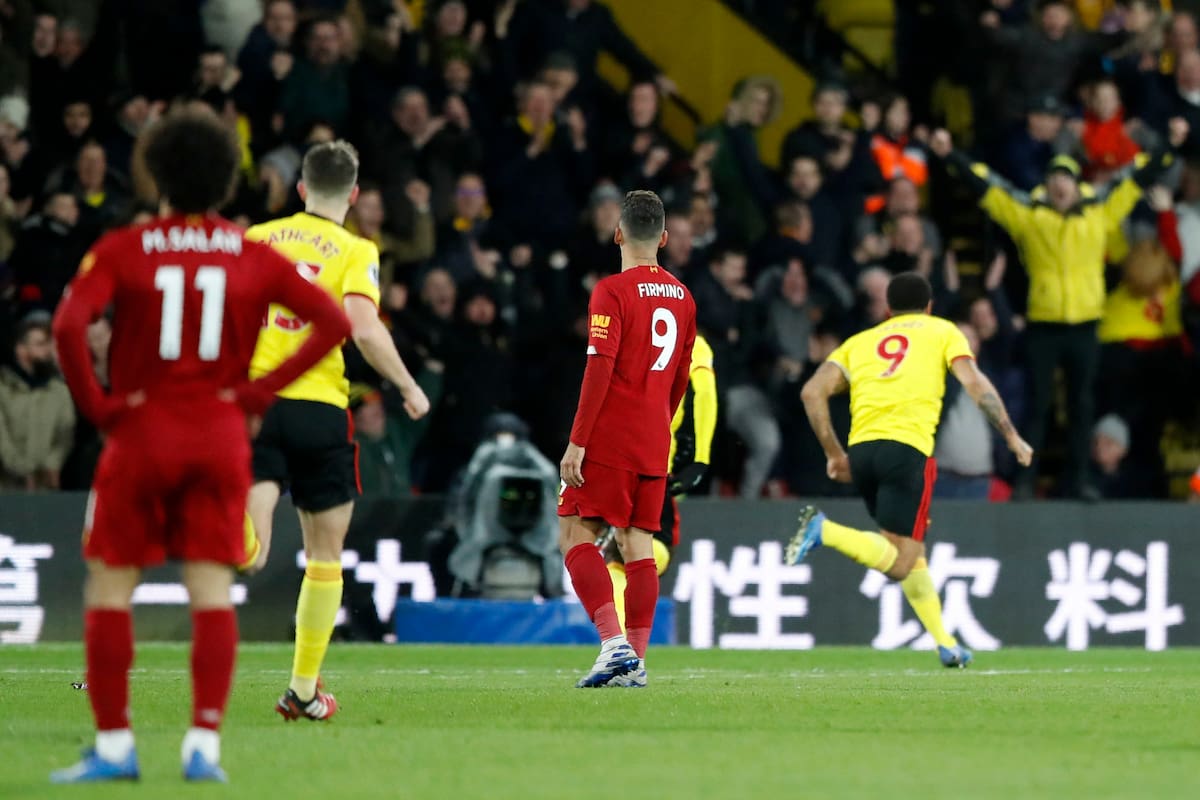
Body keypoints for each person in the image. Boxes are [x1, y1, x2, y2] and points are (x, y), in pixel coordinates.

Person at [48, 108, 352, 784]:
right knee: (212, 589)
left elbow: (69, 325)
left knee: (111, 587)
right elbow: (331, 322)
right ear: (225, 181)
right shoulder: (250, 253)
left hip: (141, 432)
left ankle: (116, 746)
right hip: (218, 436)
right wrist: (254, 394)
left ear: (154, 171)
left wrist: (98, 406)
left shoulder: (123, 248)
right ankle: (203, 747)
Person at [242, 140, 431, 722]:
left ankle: (225, 534)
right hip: (321, 407)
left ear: (299, 189)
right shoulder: (355, 248)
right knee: (325, 555)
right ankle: (302, 690)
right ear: (352, 196)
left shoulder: (256, 239)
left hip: (257, 402)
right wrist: (407, 385)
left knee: (252, 551)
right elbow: (364, 327)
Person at [786, 272, 1032, 668]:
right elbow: (975, 383)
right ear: (930, 306)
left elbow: (811, 391)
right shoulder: (942, 331)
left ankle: (946, 643)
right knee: (901, 562)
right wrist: (1011, 435)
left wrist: (834, 453)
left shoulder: (861, 342)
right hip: (908, 451)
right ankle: (824, 530)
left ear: (888, 310)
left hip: (862, 452)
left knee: (909, 553)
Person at [929, 120, 1187, 497]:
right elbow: (986, 186)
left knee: (1083, 407)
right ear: (1048, 186)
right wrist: (949, 153)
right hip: (1044, 325)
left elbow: (1139, 177)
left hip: (1084, 325)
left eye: (1066, 178)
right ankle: (1025, 480)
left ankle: (1079, 480)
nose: (1060, 185)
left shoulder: (1099, 210)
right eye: (1054, 179)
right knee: (1038, 405)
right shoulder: (1030, 216)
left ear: (1076, 185)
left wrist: (1170, 145)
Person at [558, 189, 696, 688]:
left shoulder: (611, 292)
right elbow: (682, 376)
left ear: (618, 234)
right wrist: (658, 422)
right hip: (653, 437)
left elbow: (600, 366)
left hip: (610, 436)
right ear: (663, 239)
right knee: (637, 544)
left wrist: (578, 441)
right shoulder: (684, 298)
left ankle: (614, 645)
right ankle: (634, 662)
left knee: (575, 533)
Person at [604, 332, 717, 628]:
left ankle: (616, 640)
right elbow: (705, 390)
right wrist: (701, 457)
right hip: (653, 466)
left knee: (616, 558)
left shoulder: (627, 340)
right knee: (655, 549)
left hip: (613, 460)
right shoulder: (690, 341)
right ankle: (624, 641)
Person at [0, 314, 75, 490]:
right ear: (21, 350)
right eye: (40, 345)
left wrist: (52, 464)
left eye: (49, 344)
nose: (47, 351)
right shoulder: (3, 389)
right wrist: (24, 470)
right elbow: (2, 439)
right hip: (7, 489)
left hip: (46, 489)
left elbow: (66, 433)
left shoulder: (59, 390)